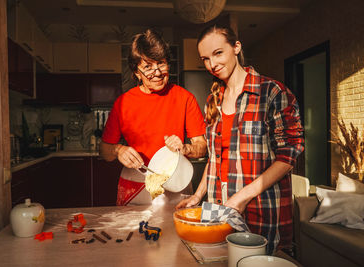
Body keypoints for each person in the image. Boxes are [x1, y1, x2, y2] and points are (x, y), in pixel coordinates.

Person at [176, 25, 304, 254]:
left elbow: (289, 156)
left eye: (218, 53)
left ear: (236, 47)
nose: (212, 65)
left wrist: (242, 198)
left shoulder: (272, 93)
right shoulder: (213, 100)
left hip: (260, 205)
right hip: (219, 204)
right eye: (205, 59)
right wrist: (197, 195)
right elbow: (215, 158)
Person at [100, 29, 207, 206]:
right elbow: (104, 151)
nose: (157, 72)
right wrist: (118, 150)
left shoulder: (185, 98)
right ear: (136, 72)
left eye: (161, 64)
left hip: (176, 182)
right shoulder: (123, 103)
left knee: (177, 232)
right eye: (148, 67)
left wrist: (185, 148)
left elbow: (201, 148)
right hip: (135, 185)